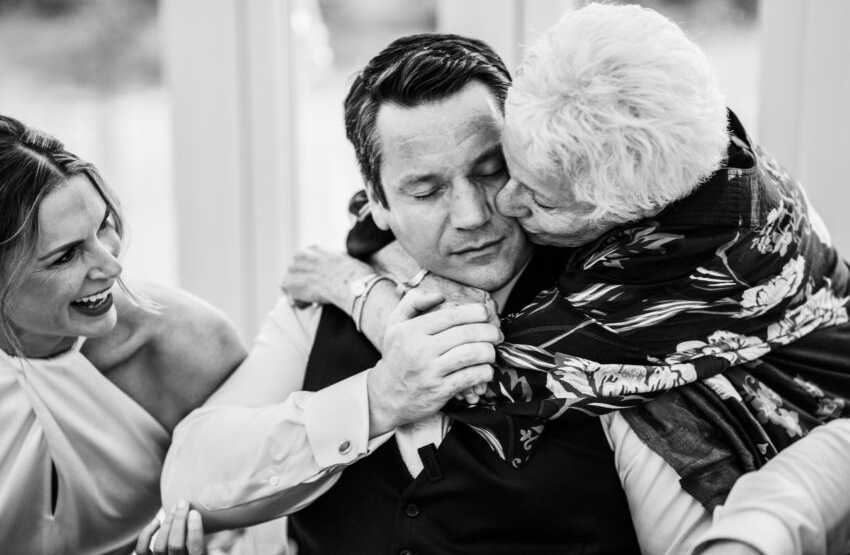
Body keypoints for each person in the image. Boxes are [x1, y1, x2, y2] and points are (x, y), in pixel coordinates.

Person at [163, 31, 850, 555]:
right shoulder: (320, 307)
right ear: (374, 202)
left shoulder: (635, 344)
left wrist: (364, 295)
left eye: (493, 170)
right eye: (426, 189)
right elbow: (189, 477)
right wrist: (379, 399)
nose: (474, 214)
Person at [0, 114, 245, 555]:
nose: (112, 266)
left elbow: (253, 518)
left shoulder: (186, 343)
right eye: (66, 256)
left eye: (103, 226)